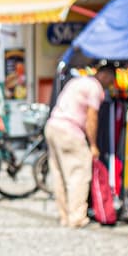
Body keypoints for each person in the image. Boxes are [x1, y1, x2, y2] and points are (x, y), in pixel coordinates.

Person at [43, 65, 114, 228]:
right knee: (78, 174)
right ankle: (76, 218)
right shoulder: (95, 88)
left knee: (59, 174)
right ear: (104, 75)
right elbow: (91, 117)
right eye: (111, 79)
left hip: (53, 125)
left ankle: (64, 215)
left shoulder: (77, 81)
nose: (111, 84)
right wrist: (94, 145)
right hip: (70, 130)